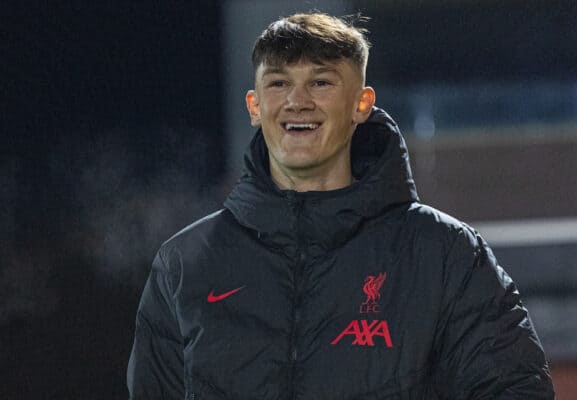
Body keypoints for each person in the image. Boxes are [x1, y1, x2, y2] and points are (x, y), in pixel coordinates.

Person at [127, 12, 554, 399]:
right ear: (255, 107)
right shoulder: (185, 266)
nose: (297, 101)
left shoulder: (444, 254)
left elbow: (516, 390)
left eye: (321, 82)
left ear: (361, 104)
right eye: (278, 83)